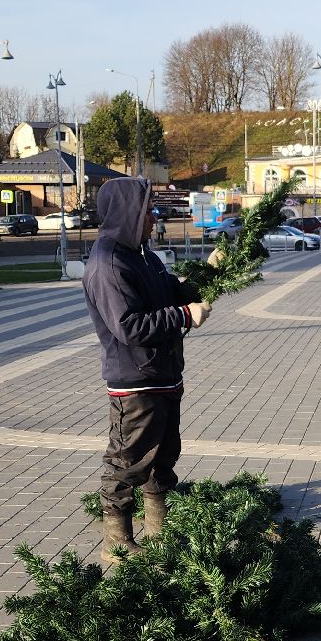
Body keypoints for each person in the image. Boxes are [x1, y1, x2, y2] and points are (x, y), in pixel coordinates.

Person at [81, 176, 212, 564]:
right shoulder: (108, 265)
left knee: (162, 457)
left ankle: (158, 531)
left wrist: (205, 278)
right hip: (136, 383)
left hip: (164, 375)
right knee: (128, 460)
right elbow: (130, 327)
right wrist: (185, 316)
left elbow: (169, 289)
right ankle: (117, 542)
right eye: (147, 210)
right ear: (127, 213)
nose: (153, 218)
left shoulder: (142, 255)